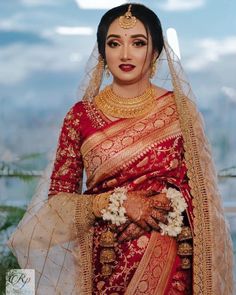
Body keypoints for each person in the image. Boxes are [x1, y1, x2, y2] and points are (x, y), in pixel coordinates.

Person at [8, 3, 234, 295]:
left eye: (138, 43)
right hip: (105, 263)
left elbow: (204, 199)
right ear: (103, 52)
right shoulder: (80, 117)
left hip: (171, 267)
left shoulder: (180, 111)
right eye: (114, 43)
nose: (125, 54)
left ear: (154, 52)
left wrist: (162, 203)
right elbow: (58, 205)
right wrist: (114, 203)